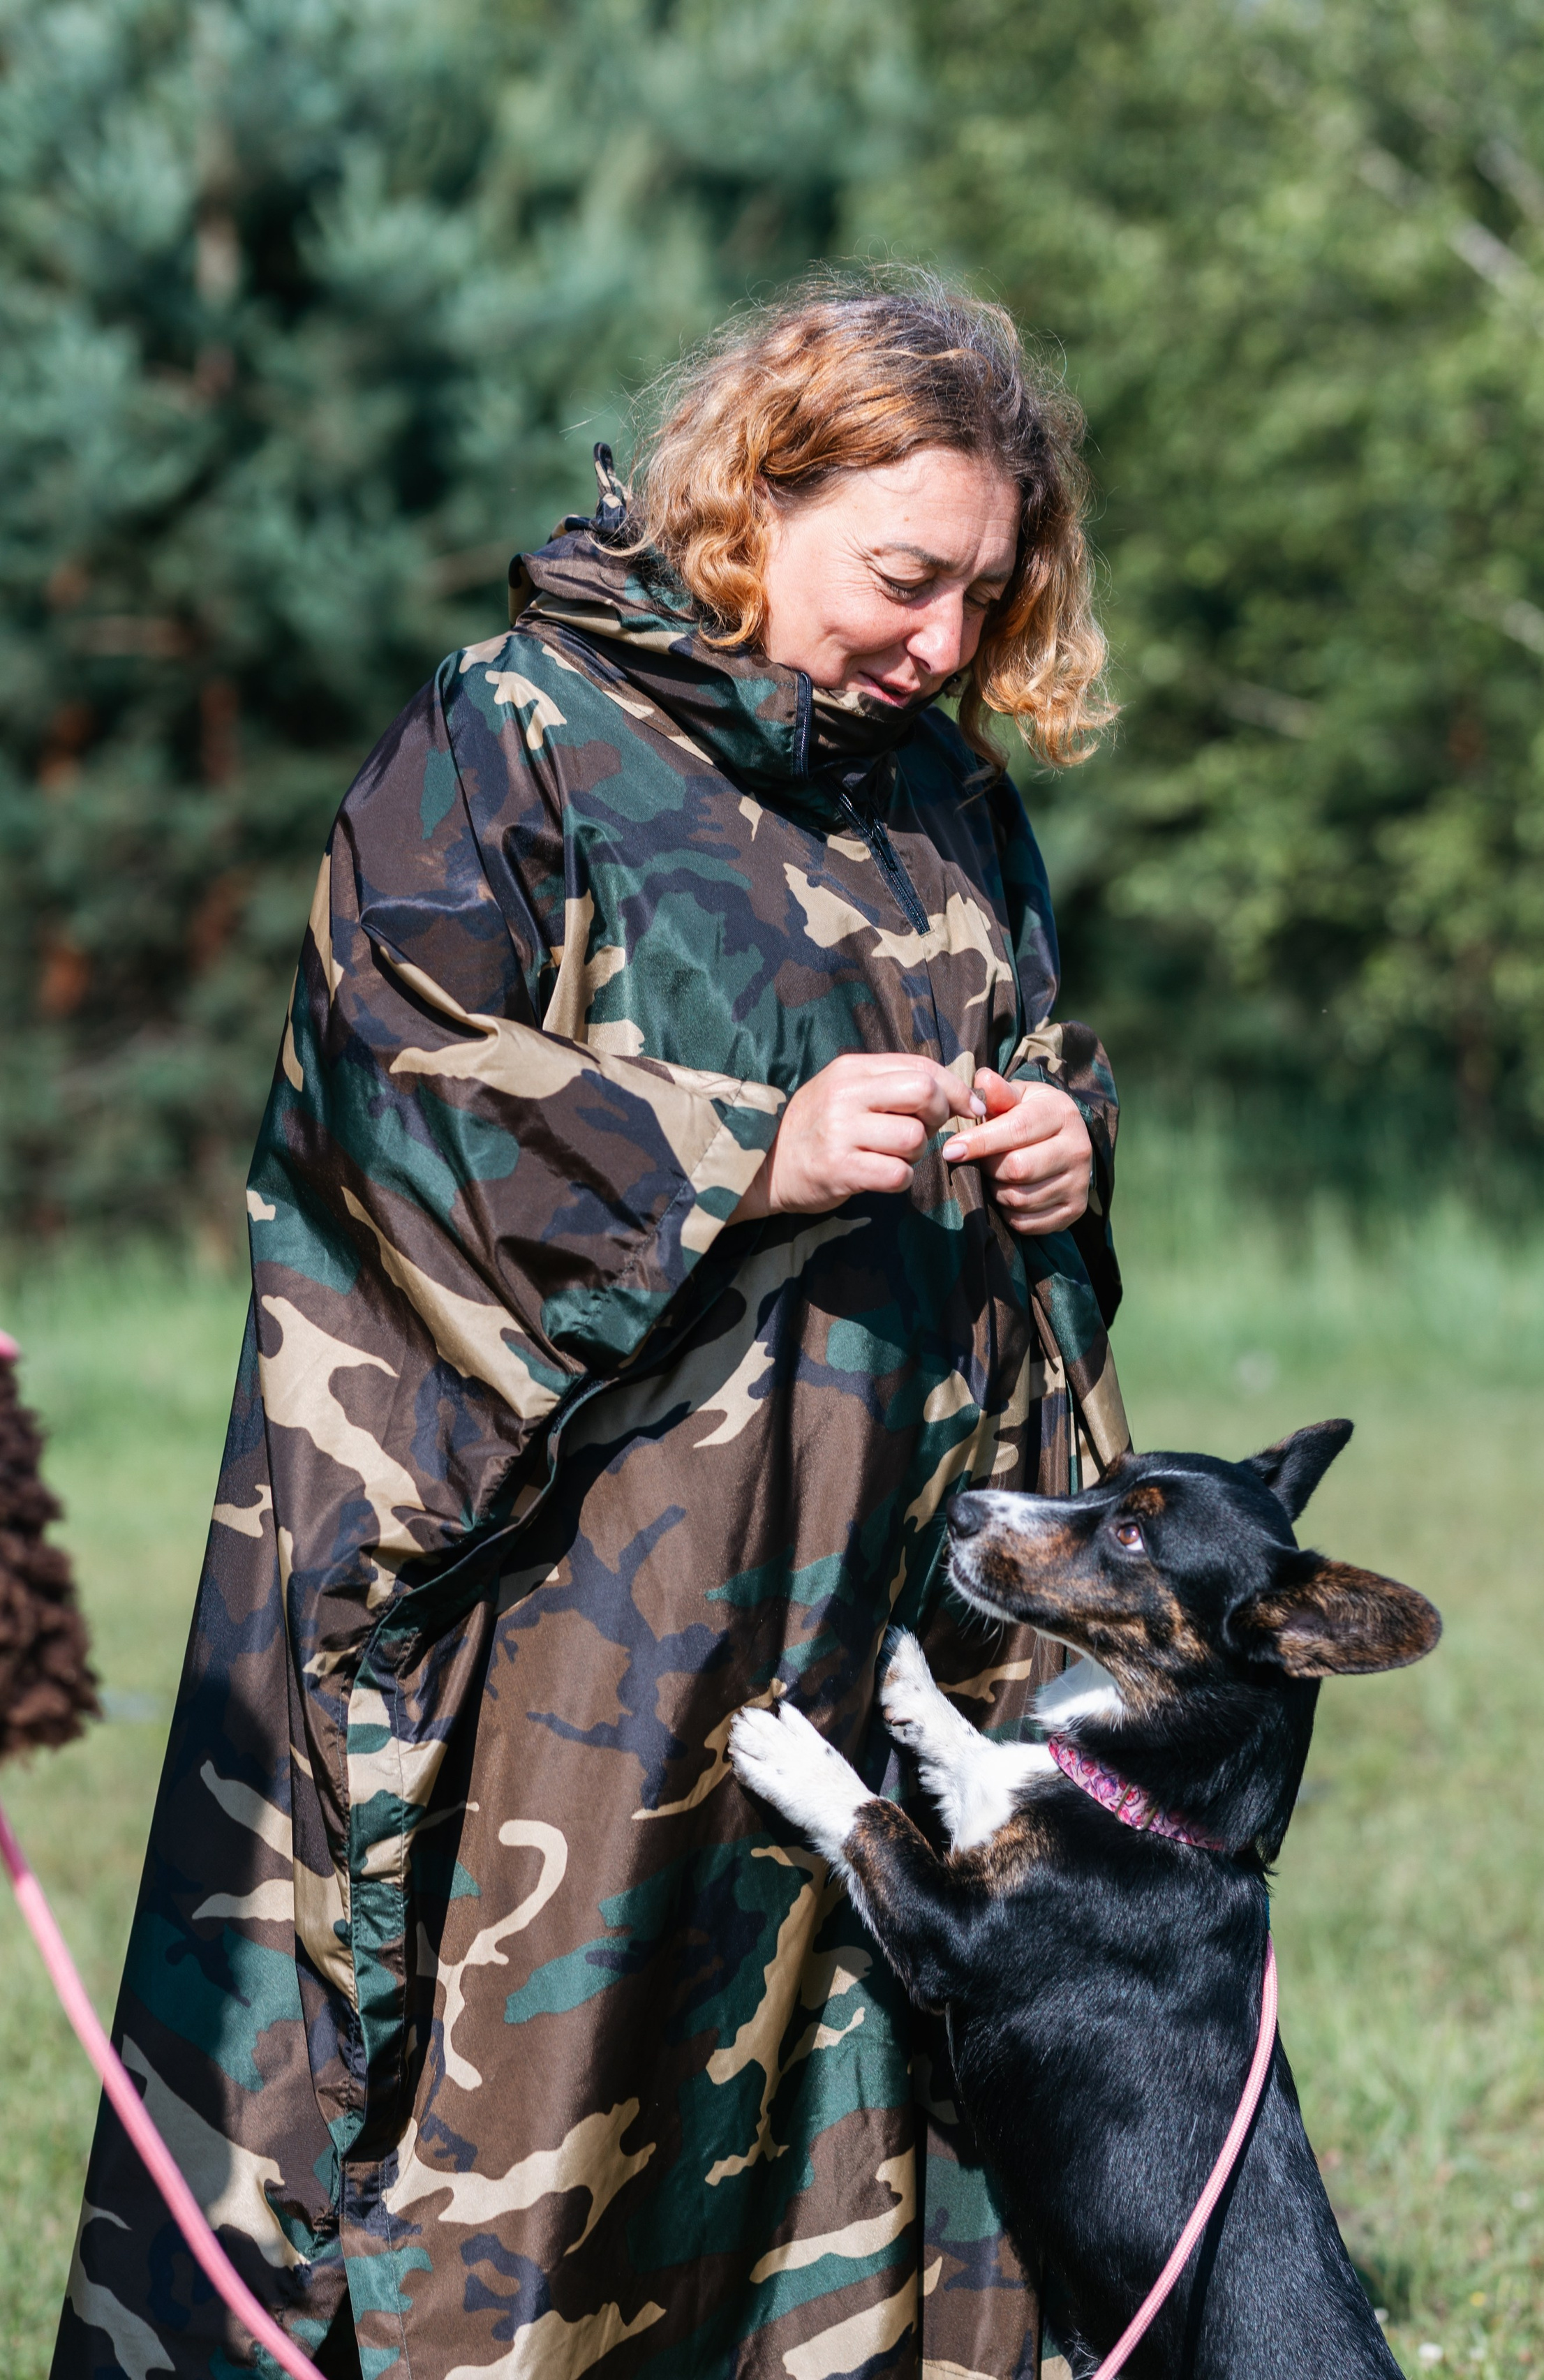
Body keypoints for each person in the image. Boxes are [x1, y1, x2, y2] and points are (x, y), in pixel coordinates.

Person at [56, 272, 1129, 2380]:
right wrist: (755, 1140)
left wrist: (1063, 1151)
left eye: (986, 604)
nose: (942, 646)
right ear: (755, 494)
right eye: (906, 579)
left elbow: (1037, 1056)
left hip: (884, 1616)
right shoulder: (515, 736)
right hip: (581, 1643)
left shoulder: (948, 796)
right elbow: (388, 1095)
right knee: (544, 2144)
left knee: (870, 2110)